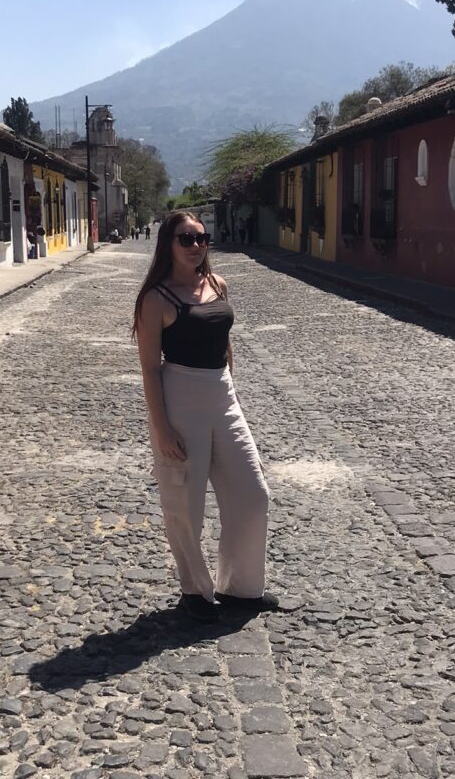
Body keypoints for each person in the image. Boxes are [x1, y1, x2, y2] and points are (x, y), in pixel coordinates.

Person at [133, 211, 277, 623]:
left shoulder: (218, 284)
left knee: (253, 495)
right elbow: (149, 368)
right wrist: (161, 428)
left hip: (222, 396)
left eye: (202, 238)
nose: (196, 246)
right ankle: (194, 590)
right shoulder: (157, 299)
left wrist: (229, 386)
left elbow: (224, 341)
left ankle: (241, 588)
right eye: (186, 239)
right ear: (168, 244)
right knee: (185, 502)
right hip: (180, 398)